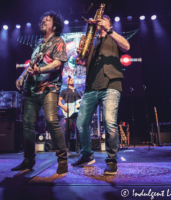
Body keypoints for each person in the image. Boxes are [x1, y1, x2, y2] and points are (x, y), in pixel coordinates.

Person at [71, 15, 130, 175]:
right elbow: (81, 62)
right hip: (91, 86)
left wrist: (109, 30)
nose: (99, 23)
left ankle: (111, 160)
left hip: (111, 84)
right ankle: (87, 155)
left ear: (109, 23)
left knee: (109, 123)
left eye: (102, 20)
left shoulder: (114, 37)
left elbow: (126, 46)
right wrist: (81, 57)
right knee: (81, 123)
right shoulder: (92, 42)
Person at [13, 11, 68, 174]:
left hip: (50, 87)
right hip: (32, 89)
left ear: (55, 25)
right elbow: (32, 64)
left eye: (47, 20)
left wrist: (40, 70)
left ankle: (63, 160)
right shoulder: (38, 43)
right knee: (27, 125)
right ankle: (28, 160)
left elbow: (58, 64)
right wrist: (22, 76)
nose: (43, 21)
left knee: (52, 121)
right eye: (42, 20)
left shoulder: (58, 41)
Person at [58, 76, 82, 155]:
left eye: (72, 79)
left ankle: (79, 148)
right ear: (67, 82)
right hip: (68, 111)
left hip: (77, 112)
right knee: (68, 129)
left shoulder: (79, 91)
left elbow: (82, 101)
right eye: (69, 79)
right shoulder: (64, 91)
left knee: (79, 130)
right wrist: (63, 106)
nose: (71, 79)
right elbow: (59, 102)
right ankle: (66, 148)